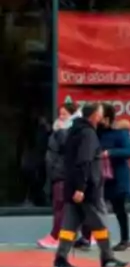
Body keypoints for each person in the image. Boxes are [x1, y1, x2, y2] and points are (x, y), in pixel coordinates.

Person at [51, 103, 128, 267]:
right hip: (88, 189)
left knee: (69, 226)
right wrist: (81, 187)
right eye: (100, 113)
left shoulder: (74, 131)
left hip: (73, 187)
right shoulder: (88, 134)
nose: (101, 116)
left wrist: (76, 187)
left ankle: (60, 259)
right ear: (93, 115)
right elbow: (83, 161)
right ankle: (107, 258)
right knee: (100, 222)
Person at [99, 108, 130, 251]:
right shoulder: (96, 132)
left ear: (108, 118)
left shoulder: (119, 133)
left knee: (119, 209)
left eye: (101, 117)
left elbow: (129, 151)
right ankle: (88, 237)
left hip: (117, 177)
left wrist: (110, 153)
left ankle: (125, 239)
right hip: (101, 177)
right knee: (94, 208)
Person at [38, 106, 74, 249]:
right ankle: (85, 235)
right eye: (60, 114)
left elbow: (65, 146)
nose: (61, 116)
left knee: (60, 206)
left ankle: (56, 236)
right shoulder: (58, 130)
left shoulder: (68, 131)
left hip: (62, 174)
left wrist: (59, 131)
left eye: (65, 114)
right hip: (56, 173)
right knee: (62, 206)